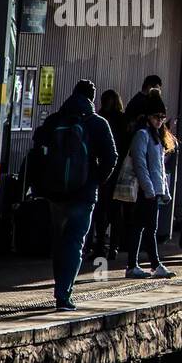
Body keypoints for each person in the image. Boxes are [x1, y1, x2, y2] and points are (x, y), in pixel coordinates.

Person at [32, 80, 118, 311]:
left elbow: (37, 148)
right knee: (74, 242)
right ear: (92, 98)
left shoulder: (54, 121)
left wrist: (44, 182)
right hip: (84, 194)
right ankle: (63, 294)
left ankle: (59, 289)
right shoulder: (98, 123)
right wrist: (95, 181)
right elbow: (111, 157)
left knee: (59, 242)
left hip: (55, 193)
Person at [126, 103, 176, 280]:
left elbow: (159, 167)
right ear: (148, 116)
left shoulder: (156, 136)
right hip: (146, 189)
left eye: (162, 118)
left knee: (141, 227)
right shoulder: (142, 135)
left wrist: (163, 190)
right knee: (148, 228)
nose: (159, 121)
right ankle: (153, 265)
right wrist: (149, 188)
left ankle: (135, 265)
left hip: (152, 189)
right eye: (156, 117)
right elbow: (140, 164)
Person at [88, 88, 126, 262]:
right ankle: (114, 246)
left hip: (100, 171)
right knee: (116, 212)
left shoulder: (98, 119)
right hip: (117, 171)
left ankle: (99, 245)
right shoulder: (122, 120)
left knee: (100, 212)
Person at [123, 75, 163, 154]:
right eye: (157, 88)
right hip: (137, 142)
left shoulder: (139, 100)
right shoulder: (140, 101)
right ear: (149, 87)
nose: (159, 92)